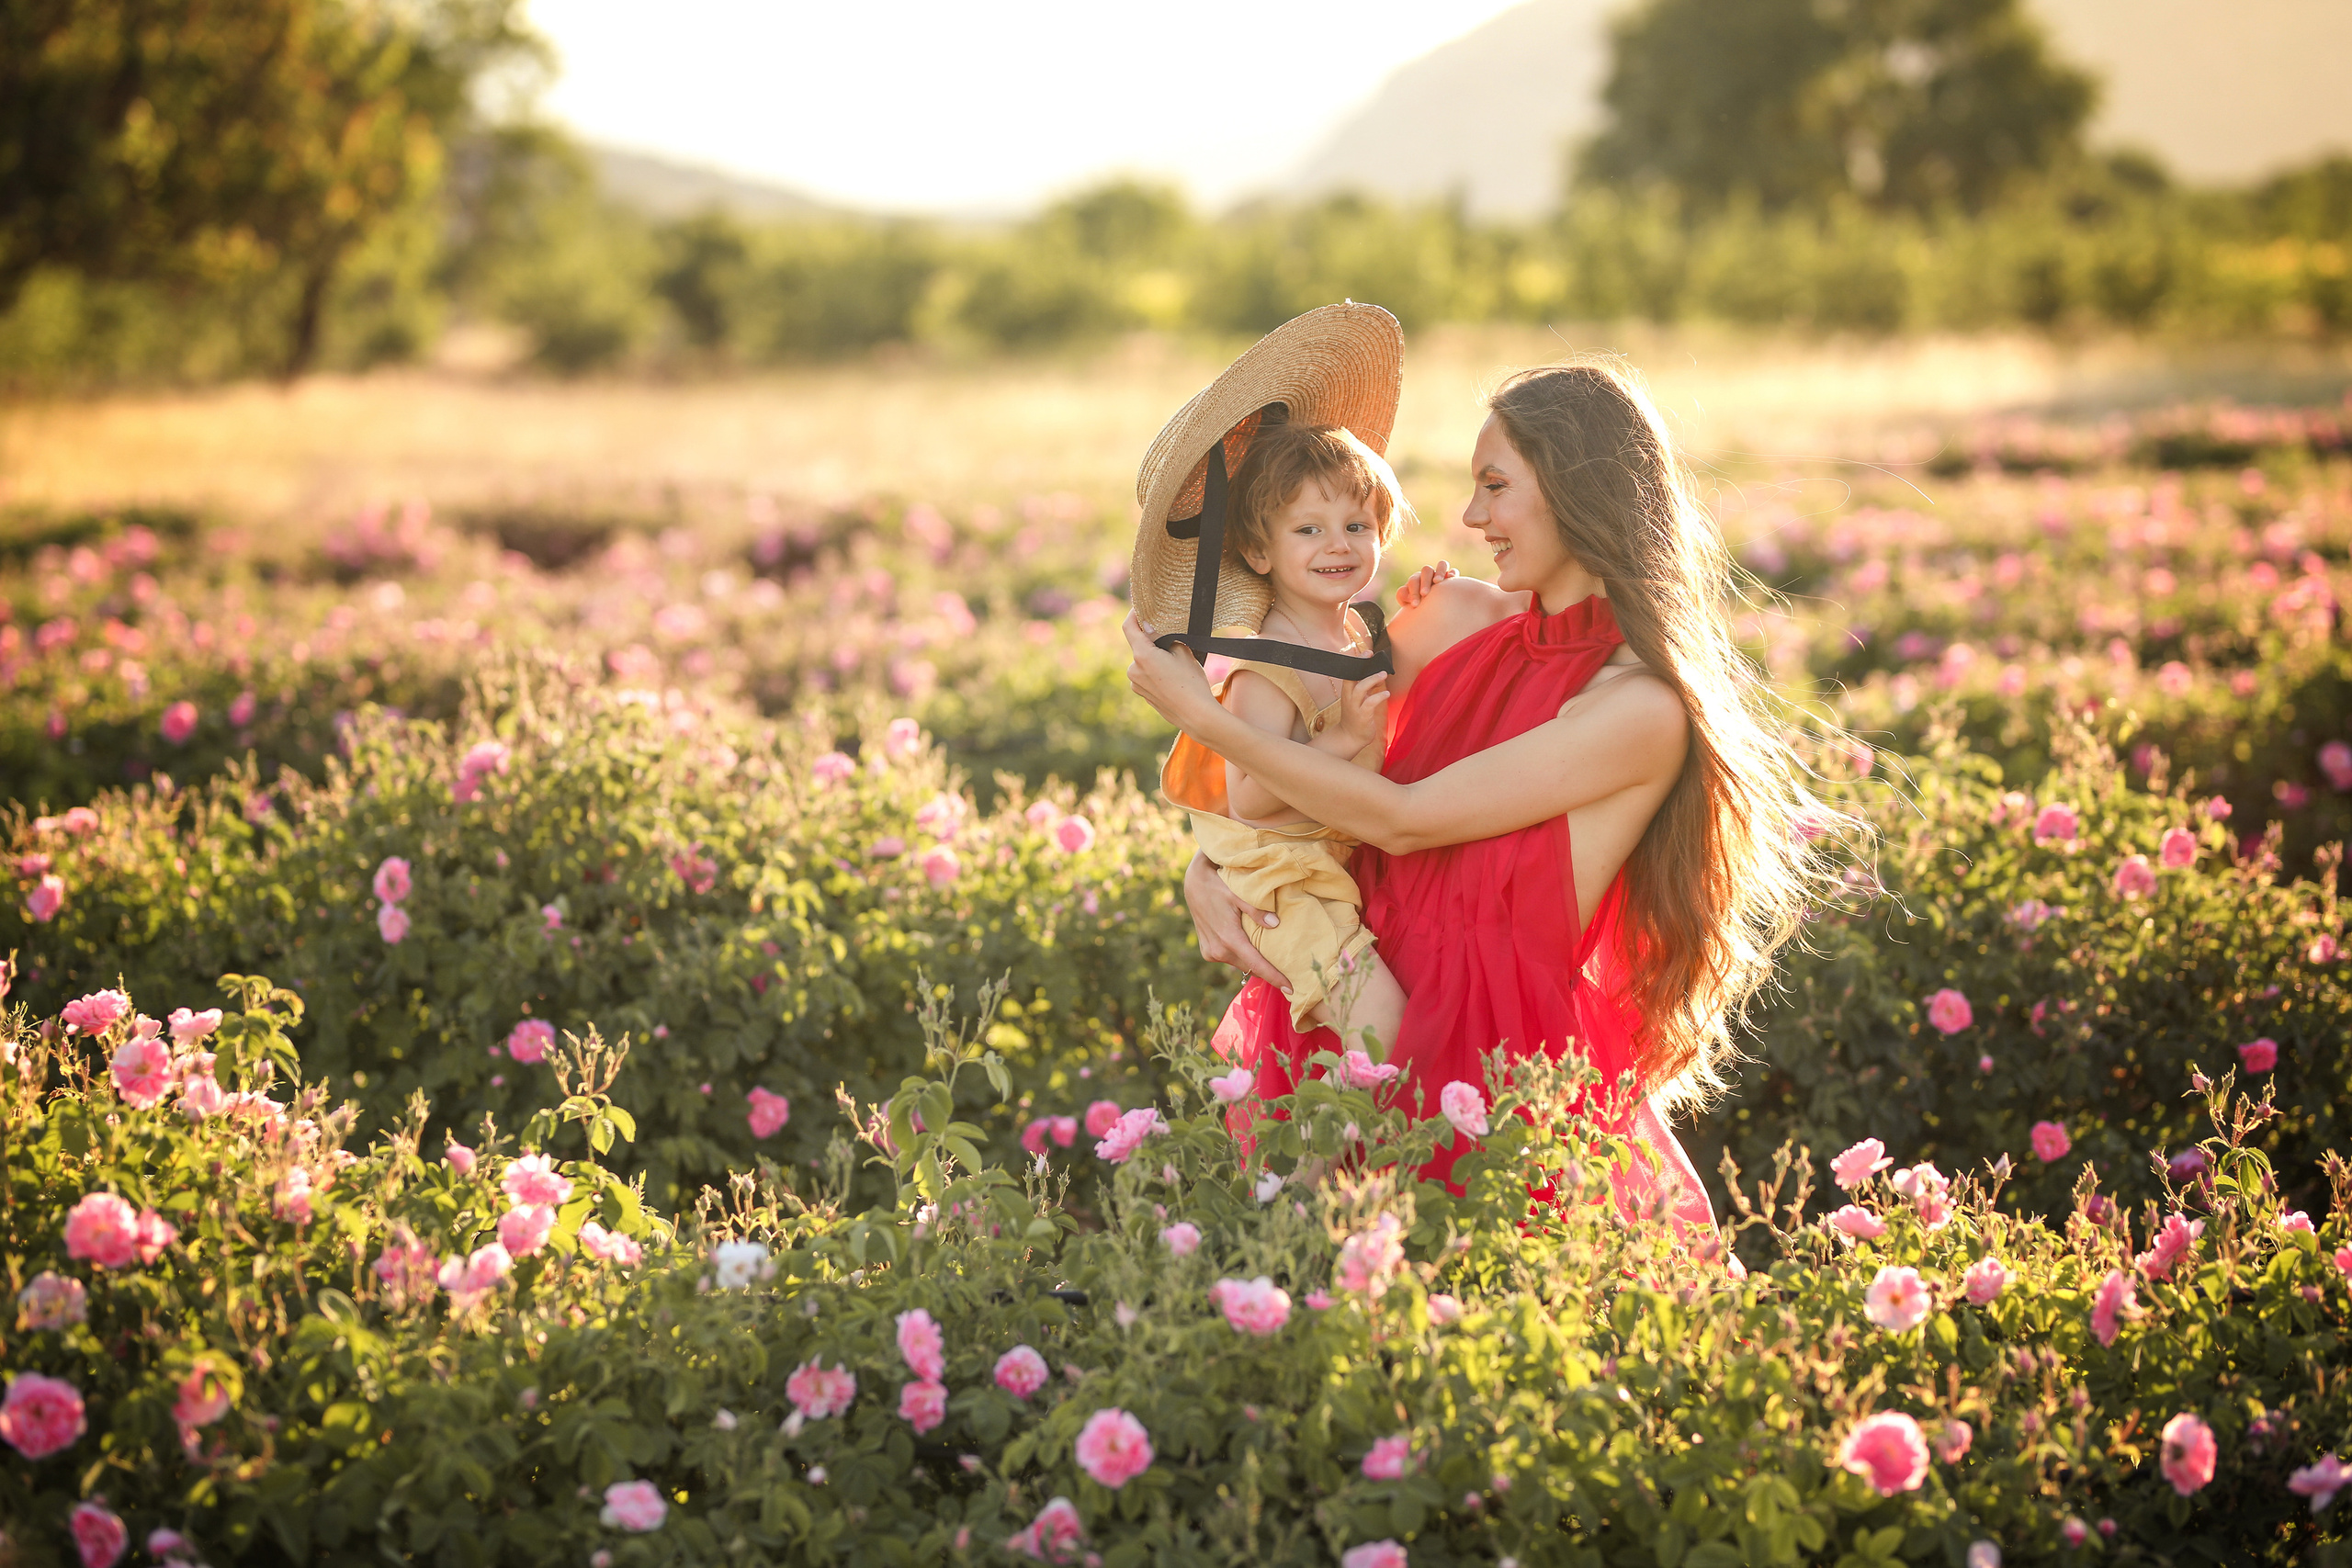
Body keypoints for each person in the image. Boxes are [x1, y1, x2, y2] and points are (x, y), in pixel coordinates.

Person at [1125, 356, 1835, 1238]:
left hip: (1482, 1048)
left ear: (1576, 487)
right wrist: (1215, 862)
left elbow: (1404, 820)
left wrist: (1201, 714)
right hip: (1361, 982)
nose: (1470, 517)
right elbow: (1306, 766)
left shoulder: (1639, 708)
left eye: (1494, 486)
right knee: (1296, 1298)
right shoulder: (1455, 615)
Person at [1156, 422, 1410, 1051]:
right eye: (1308, 529)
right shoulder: (1268, 666)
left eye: (1357, 526)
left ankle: (1341, 1140)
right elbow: (1250, 797)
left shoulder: (1352, 634)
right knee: (1380, 1022)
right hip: (1285, 883)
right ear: (1259, 552)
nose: (1338, 545)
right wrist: (1349, 736)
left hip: (1334, 861)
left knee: (1351, 1047)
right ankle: (1336, 1149)